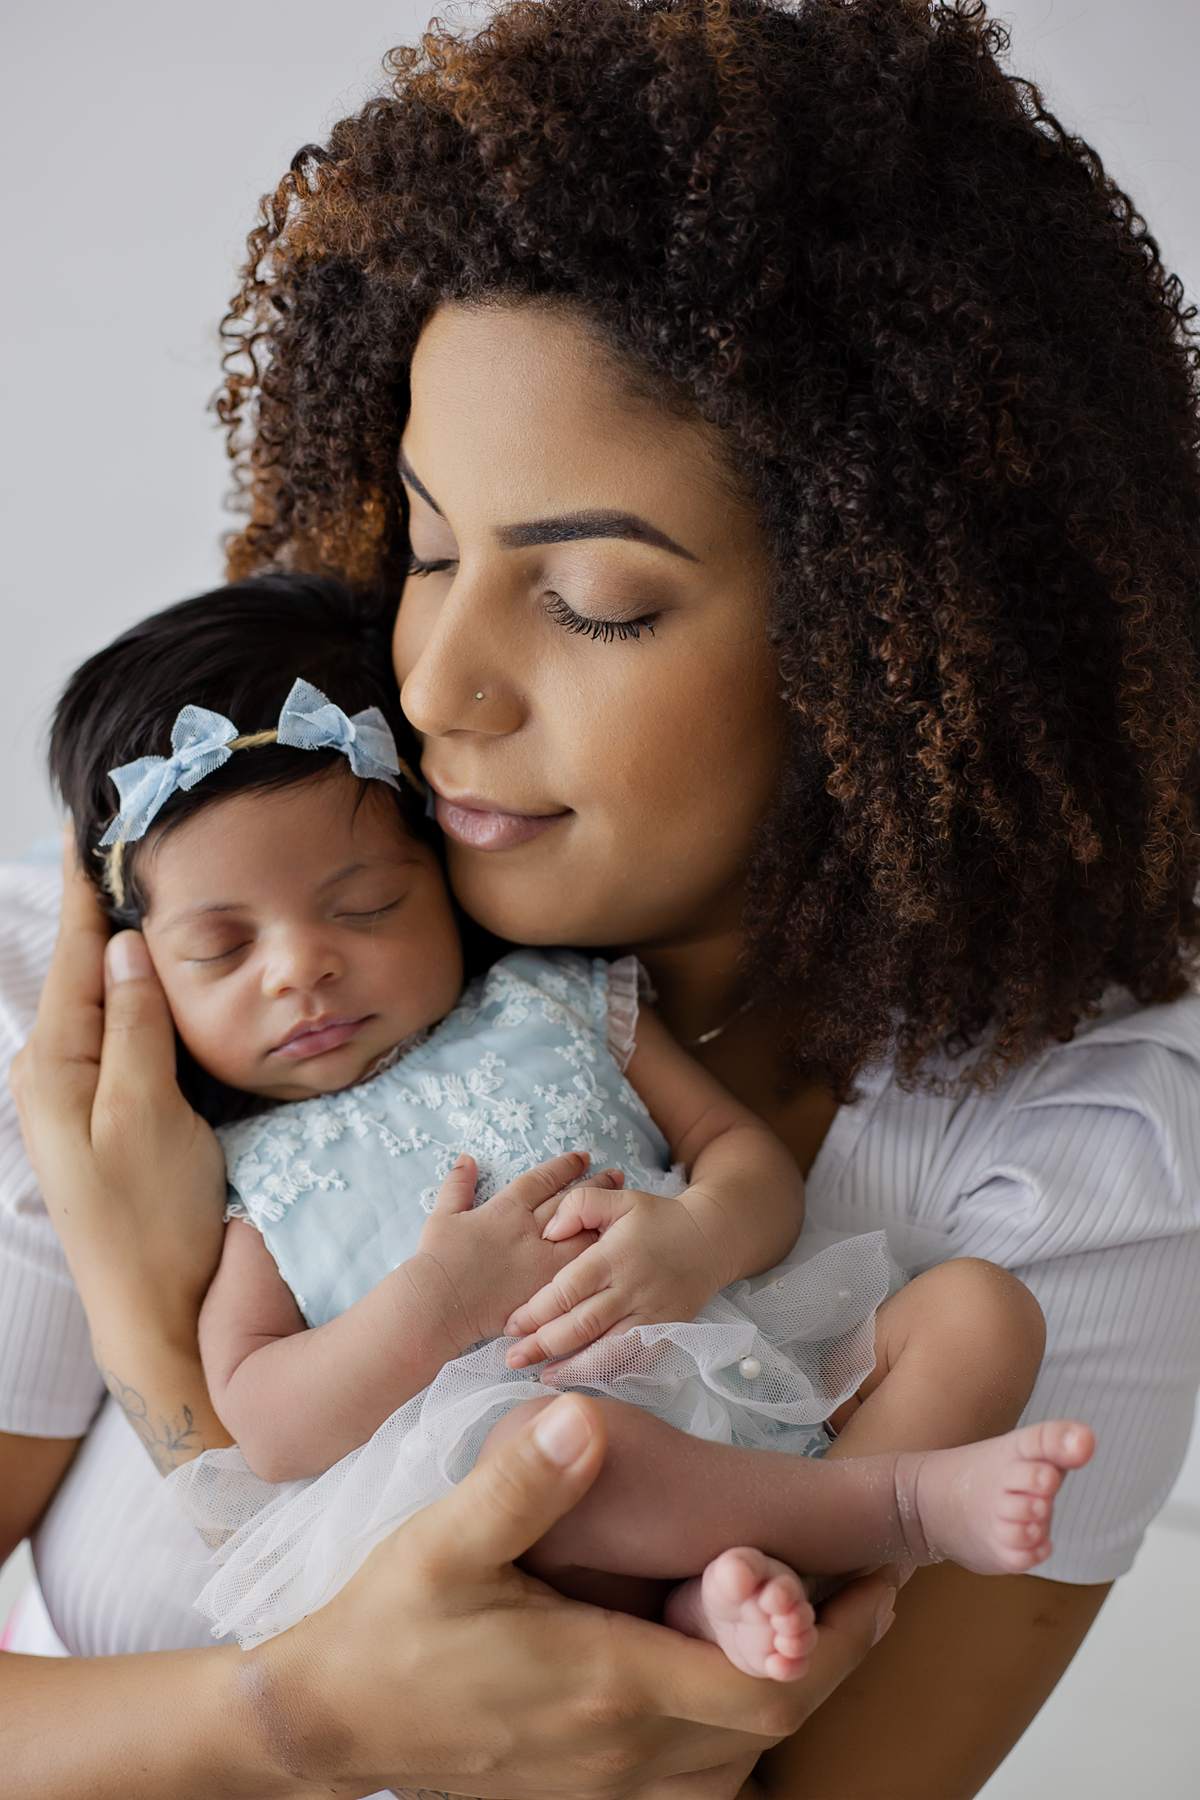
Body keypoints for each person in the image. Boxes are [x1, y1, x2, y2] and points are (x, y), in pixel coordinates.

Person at [5, 0, 1200, 1792]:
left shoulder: (1086, 1165)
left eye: (599, 602)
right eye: (423, 550)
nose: (438, 685)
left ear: (889, 647)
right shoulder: (120, 996)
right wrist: (296, 1711)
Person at [47, 572, 1086, 1671]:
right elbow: (264, 1419)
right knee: (565, 1452)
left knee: (982, 1311)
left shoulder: (555, 1000)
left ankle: (742, 1592)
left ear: (440, 870)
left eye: (366, 906)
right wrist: (432, 1311)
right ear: (144, 979)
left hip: (740, 1364)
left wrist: (703, 1235)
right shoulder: (253, 1170)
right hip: (558, 1488)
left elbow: (745, 1161)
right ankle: (899, 1510)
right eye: (222, 949)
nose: (303, 966)